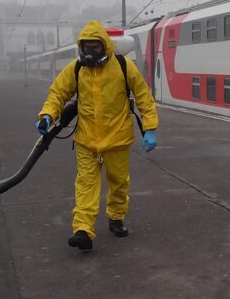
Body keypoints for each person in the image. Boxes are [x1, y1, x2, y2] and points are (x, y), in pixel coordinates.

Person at [35, 20, 158, 250]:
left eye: (96, 47)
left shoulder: (123, 66)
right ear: (81, 47)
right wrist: (47, 115)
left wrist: (149, 128)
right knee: (85, 184)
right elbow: (57, 94)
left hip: (117, 139)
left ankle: (116, 217)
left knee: (119, 183)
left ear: (105, 46)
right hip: (86, 140)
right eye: (87, 47)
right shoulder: (76, 68)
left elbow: (143, 97)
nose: (91, 52)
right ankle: (83, 230)